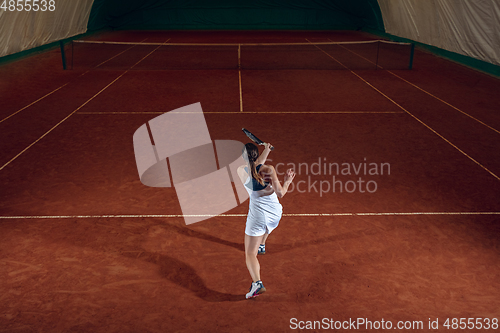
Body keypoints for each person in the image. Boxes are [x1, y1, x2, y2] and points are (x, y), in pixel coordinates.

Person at [237, 142, 295, 299]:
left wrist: (266, 150)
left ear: (243, 157)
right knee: (268, 226)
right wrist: (288, 181)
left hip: (257, 217)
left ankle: (257, 283)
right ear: (257, 155)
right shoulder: (269, 170)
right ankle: (261, 244)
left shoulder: (241, 171)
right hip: (275, 213)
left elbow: (254, 166)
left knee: (250, 253)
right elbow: (281, 193)